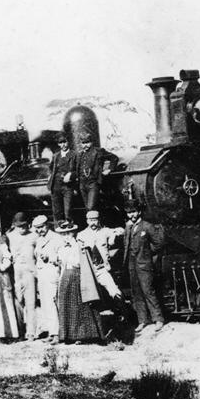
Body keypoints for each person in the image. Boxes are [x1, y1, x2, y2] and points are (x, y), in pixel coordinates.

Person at [54, 220, 103, 344]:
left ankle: (83, 335)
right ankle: (68, 335)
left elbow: (80, 262)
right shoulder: (61, 248)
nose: (65, 237)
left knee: (79, 306)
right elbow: (61, 263)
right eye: (63, 234)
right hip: (65, 276)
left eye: (68, 234)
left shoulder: (80, 246)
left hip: (77, 275)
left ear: (73, 233)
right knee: (66, 305)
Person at [123, 200, 165, 333]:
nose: (132, 215)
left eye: (134, 212)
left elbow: (158, 243)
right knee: (137, 293)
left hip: (144, 264)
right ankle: (142, 321)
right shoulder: (128, 227)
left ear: (139, 212)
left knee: (148, 291)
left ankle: (158, 319)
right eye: (129, 212)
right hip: (132, 264)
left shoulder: (147, 226)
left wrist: (147, 253)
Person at [76, 210, 123, 299]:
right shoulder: (81, 235)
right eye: (90, 220)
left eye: (95, 220)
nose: (93, 223)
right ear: (87, 221)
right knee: (89, 294)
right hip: (89, 269)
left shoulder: (105, 231)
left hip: (102, 268)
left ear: (99, 220)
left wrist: (114, 235)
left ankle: (124, 310)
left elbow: (121, 230)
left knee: (114, 291)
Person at [6, 212, 38, 340]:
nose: (22, 228)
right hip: (15, 272)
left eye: (24, 225)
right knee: (17, 301)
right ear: (14, 225)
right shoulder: (9, 236)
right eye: (19, 226)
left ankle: (31, 331)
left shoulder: (34, 236)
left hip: (29, 271)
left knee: (31, 302)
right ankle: (19, 330)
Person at [33, 215, 61, 340]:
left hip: (52, 273)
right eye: (37, 228)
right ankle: (51, 331)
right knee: (45, 304)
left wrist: (50, 258)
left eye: (42, 227)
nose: (40, 230)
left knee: (53, 303)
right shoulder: (39, 240)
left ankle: (57, 332)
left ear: (47, 225)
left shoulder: (56, 238)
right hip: (42, 276)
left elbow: (61, 257)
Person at [76, 136, 118, 211]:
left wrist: (109, 169)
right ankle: (93, 222)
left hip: (93, 183)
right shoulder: (80, 154)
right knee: (87, 208)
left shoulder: (99, 151)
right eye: (83, 143)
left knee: (91, 207)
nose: (85, 145)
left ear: (91, 142)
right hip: (82, 184)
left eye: (87, 142)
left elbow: (114, 158)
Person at [50, 134, 77, 225]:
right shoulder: (55, 156)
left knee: (68, 209)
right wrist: (51, 176)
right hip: (56, 186)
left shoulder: (74, 154)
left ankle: (70, 227)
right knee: (57, 210)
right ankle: (59, 228)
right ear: (58, 144)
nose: (63, 145)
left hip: (68, 186)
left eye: (65, 142)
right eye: (61, 143)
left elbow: (78, 169)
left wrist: (71, 174)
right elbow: (51, 168)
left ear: (68, 142)